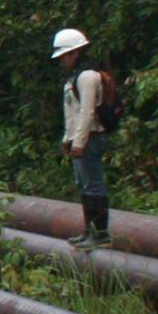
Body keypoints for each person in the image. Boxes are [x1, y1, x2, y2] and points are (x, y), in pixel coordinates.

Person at [52, 27, 110, 249]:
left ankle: (100, 234)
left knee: (93, 185)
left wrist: (79, 143)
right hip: (82, 139)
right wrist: (68, 139)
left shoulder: (87, 76)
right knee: (84, 185)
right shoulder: (74, 77)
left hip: (91, 139)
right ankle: (89, 231)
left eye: (64, 56)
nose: (62, 61)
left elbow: (87, 112)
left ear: (74, 53)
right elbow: (72, 113)